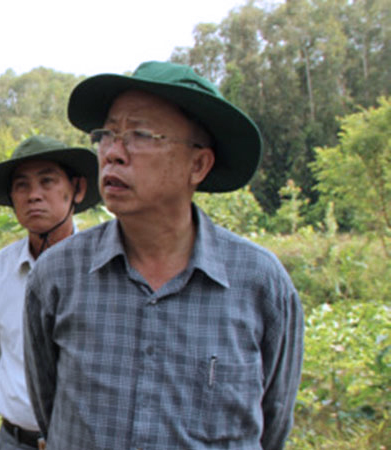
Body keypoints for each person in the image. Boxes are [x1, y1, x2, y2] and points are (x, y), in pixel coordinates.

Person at [23, 61, 304, 449]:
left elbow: (272, 424)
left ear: (198, 164)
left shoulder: (259, 282)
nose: (113, 154)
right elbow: (48, 408)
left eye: (140, 134)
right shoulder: (57, 275)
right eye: (107, 134)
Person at [0, 136, 100, 450]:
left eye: (47, 181)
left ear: (77, 189)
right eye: (22, 186)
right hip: (16, 441)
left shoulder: (104, 268)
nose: (34, 196)